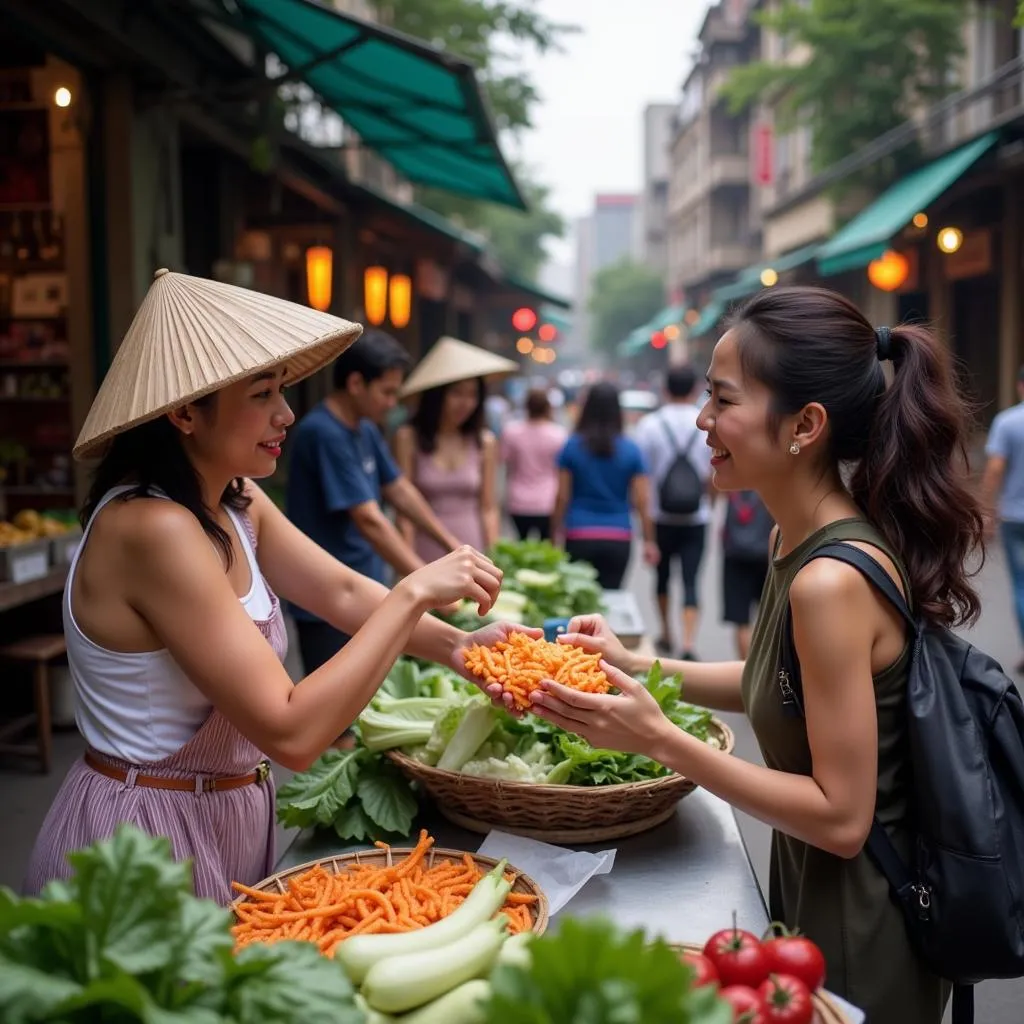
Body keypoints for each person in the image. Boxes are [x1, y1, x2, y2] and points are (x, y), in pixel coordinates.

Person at [523, 286, 984, 1024]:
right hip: (814, 896)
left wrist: (659, 739)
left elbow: (841, 818)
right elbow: (774, 682)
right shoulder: (791, 541)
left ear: (805, 424)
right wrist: (633, 664)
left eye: (723, 401)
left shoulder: (829, 582)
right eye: (707, 396)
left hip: (865, 929)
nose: (703, 421)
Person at [23, 271, 526, 906]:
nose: (286, 414)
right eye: (263, 394)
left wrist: (461, 648)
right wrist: (413, 592)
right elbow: (290, 731)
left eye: (283, 389)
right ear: (183, 412)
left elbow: (341, 592)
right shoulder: (152, 528)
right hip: (144, 843)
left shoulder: (236, 500)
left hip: (223, 817)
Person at [286, 329, 462, 672]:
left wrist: (451, 545)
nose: (393, 403)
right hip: (326, 599)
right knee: (338, 715)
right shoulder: (323, 432)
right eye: (387, 392)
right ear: (355, 383)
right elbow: (369, 520)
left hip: (363, 587)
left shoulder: (365, 428)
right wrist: (425, 580)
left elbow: (400, 490)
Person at [394, 336, 516, 562]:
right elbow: (404, 511)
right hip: (423, 551)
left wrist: (494, 558)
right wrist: (408, 565)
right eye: (456, 393)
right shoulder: (408, 438)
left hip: (472, 548)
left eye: (472, 395)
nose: (465, 403)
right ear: (436, 394)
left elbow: (488, 508)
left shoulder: (485, 442)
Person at [633, 364, 713, 658]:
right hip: (697, 516)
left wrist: (646, 533)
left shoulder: (650, 425)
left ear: (665, 389)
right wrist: (711, 505)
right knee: (692, 579)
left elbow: (642, 480)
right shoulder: (705, 421)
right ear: (694, 389)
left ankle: (667, 632)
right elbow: (712, 474)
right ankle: (689, 641)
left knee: (662, 578)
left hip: (660, 516)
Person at [552, 381, 658, 589]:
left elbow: (562, 496)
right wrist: (649, 540)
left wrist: (554, 531)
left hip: (578, 534)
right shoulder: (631, 450)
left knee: (579, 602)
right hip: (618, 536)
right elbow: (642, 500)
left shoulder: (571, 447)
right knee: (612, 601)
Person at [981, 364, 1024, 673]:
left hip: (1014, 517)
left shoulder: (1007, 422)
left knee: (1021, 584)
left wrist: (986, 509)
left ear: (1020, 386)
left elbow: (995, 469)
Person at [500, 388, 568, 541]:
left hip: (518, 500)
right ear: (548, 407)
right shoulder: (559, 435)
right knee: (547, 548)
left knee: (521, 546)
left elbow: (503, 460)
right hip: (548, 500)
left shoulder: (511, 432)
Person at [721, 490, 775, 659]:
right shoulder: (768, 483)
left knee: (741, 620)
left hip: (735, 555)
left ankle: (746, 669)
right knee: (769, 616)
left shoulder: (732, 484)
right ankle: (767, 666)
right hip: (765, 555)